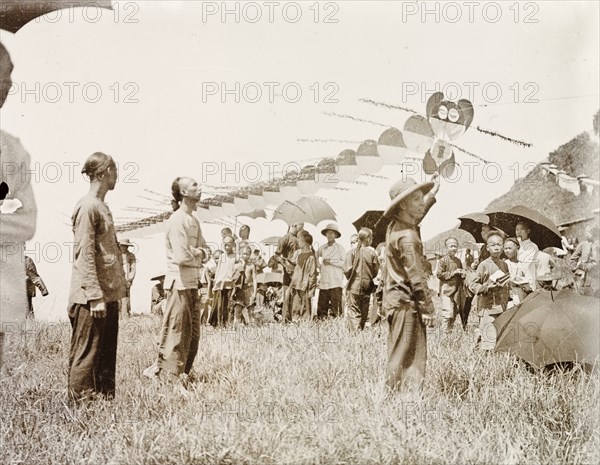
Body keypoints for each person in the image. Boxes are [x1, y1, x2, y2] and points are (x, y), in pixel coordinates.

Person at [67, 152, 127, 401]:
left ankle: (103, 408)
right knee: (87, 355)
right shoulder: (88, 206)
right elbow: (85, 255)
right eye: (114, 170)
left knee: (104, 357)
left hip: (107, 295)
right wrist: (94, 296)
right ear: (103, 172)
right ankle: (80, 410)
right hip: (91, 299)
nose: (117, 176)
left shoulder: (101, 206)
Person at [381, 176, 438, 394]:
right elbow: (417, 277)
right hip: (407, 304)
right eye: (416, 199)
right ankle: (395, 400)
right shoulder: (408, 237)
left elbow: (416, 216)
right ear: (403, 204)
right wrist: (428, 308)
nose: (421, 202)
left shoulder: (396, 227)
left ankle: (400, 398)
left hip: (395, 302)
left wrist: (432, 195)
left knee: (400, 351)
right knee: (407, 355)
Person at [0, 41, 38, 371]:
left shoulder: (13, 151)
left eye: (10, 76)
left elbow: (26, 222)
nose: (8, 85)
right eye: (2, 76)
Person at [153, 177, 206, 387]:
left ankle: (181, 375)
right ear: (183, 192)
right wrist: (198, 254)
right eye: (194, 185)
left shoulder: (194, 221)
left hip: (193, 284)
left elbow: (207, 251)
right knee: (176, 333)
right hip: (179, 285)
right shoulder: (176, 221)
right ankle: (168, 380)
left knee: (193, 336)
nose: (199, 188)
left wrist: (197, 252)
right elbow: (182, 257)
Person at [468, 232, 510, 351]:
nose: (496, 247)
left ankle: (479, 335)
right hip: (487, 306)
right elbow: (472, 284)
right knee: (489, 339)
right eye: (493, 245)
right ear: (487, 248)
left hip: (502, 306)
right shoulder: (484, 265)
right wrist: (487, 287)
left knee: (497, 333)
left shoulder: (504, 264)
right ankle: (484, 356)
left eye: (499, 244)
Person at [344, 227, 380, 332]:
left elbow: (347, 270)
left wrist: (351, 278)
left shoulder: (351, 252)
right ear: (368, 239)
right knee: (364, 310)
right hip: (367, 287)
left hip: (353, 286)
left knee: (354, 310)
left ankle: (355, 333)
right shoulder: (372, 253)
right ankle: (361, 331)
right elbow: (375, 271)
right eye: (371, 237)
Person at [436, 237, 466, 334]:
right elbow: (439, 274)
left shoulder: (458, 261)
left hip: (457, 290)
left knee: (454, 312)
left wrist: (462, 274)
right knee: (447, 313)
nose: (453, 248)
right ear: (446, 248)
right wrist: (453, 273)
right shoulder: (443, 260)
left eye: (455, 246)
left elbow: (461, 274)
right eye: (451, 246)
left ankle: (450, 333)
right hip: (446, 290)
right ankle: (444, 334)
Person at [316, 223, 346, 320]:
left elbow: (344, 263)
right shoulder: (323, 248)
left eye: (332, 233)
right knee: (322, 306)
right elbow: (314, 255)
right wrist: (319, 266)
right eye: (328, 233)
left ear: (336, 235)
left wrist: (331, 261)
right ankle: (321, 324)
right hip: (324, 281)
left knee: (336, 307)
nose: (330, 235)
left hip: (335, 281)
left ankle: (337, 324)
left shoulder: (340, 248)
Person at [274, 223, 303, 322]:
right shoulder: (285, 238)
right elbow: (276, 255)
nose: (302, 227)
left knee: (297, 295)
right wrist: (285, 265)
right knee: (287, 294)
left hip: (299, 270)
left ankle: (295, 318)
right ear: (293, 225)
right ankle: (284, 319)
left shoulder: (301, 239)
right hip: (288, 271)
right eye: (301, 225)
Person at [288, 231, 318, 322]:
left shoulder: (311, 257)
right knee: (295, 306)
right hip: (296, 284)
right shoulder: (300, 255)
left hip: (305, 286)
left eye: (300, 241)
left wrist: (311, 289)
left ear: (306, 243)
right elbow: (297, 269)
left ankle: (305, 324)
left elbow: (313, 274)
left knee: (306, 307)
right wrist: (285, 260)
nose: (298, 242)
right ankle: (295, 321)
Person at [211, 236, 239, 326]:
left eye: (229, 245)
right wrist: (215, 283)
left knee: (228, 305)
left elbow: (238, 270)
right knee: (219, 305)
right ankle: (219, 323)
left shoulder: (236, 257)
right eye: (225, 245)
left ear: (233, 245)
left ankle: (227, 323)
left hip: (230, 285)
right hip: (220, 284)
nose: (227, 247)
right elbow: (218, 270)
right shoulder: (222, 256)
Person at [570, 225, 599, 297]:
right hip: (584, 279)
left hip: (596, 279)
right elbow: (573, 259)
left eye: (587, 233)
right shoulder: (583, 245)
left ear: (593, 234)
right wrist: (576, 270)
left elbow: (595, 263)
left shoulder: (597, 245)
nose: (585, 235)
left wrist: (581, 265)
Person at [231, 246, 257, 326]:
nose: (245, 256)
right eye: (243, 254)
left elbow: (255, 279)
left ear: (250, 255)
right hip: (240, 289)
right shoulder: (237, 265)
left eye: (247, 254)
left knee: (251, 311)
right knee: (237, 310)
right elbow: (234, 278)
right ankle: (235, 328)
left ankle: (252, 327)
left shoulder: (252, 266)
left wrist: (255, 292)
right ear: (240, 254)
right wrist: (242, 265)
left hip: (249, 289)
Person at [503, 238, 528, 308]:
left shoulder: (523, 263)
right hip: (509, 297)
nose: (507, 251)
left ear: (517, 248)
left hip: (522, 294)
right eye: (505, 248)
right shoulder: (504, 264)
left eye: (510, 248)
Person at [118, 239, 137, 319]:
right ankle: (118, 316)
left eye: (126, 246)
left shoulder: (131, 256)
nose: (124, 247)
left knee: (126, 297)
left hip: (126, 278)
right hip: (117, 278)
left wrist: (130, 279)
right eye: (122, 246)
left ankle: (126, 315)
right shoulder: (116, 255)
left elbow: (133, 269)